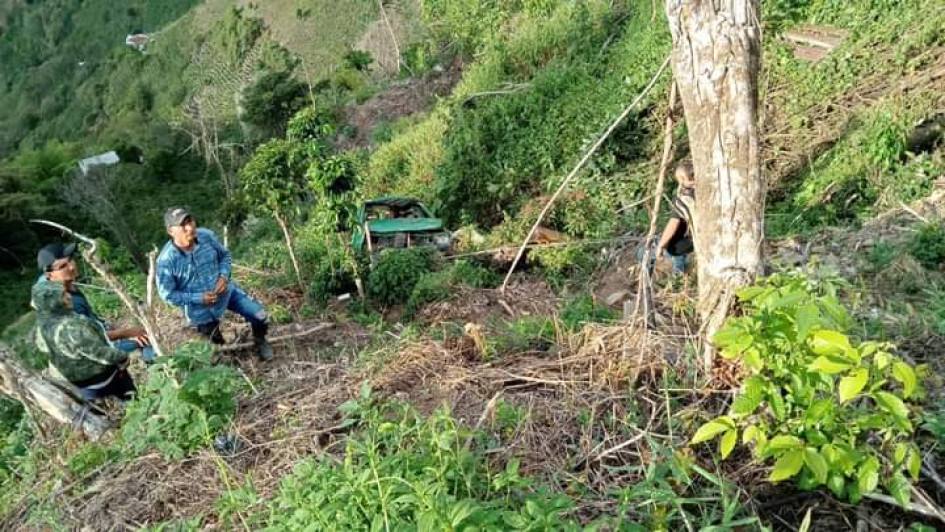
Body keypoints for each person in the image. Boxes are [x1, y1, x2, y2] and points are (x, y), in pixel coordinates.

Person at [157, 207, 274, 361]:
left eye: (190, 221)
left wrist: (224, 277)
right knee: (216, 345)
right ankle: (227, 359)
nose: (190, 228)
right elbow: (168, 294)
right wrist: (198, 298)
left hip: (227, 293)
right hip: (201, 311)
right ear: (171, 231)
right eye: (183, 225)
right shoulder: (166, 260)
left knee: (260, 315)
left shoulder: (206, 236)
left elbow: (225, 256)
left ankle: (260, 341)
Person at [33, 243, 155, 362]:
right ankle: (160, 370)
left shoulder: (57, 282)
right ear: (50, 275)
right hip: (91, 349)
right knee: (147, 338)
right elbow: (92, 337)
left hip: (97, 327)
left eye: (70, 260)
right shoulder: (67, 303)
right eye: (63, 266)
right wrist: (127, 333)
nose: (71, 267)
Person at [32, 281, 137, 401]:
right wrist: (123, 357)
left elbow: (42, 346)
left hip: (78, 384)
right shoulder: (71, 328)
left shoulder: (43, 325)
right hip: (99, 378)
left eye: (66, 292)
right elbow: (102, 354)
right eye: (62, 296)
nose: (69, 296)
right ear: (52, 303)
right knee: (130, 399)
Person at [640, 162, 696, 275]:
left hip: (695, 238)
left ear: (684, 178)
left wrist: (661, 246)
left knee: (671, 249)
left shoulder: (685, 196)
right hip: (690, 234)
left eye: (681, 180)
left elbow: (674, 222)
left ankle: (679, 272)